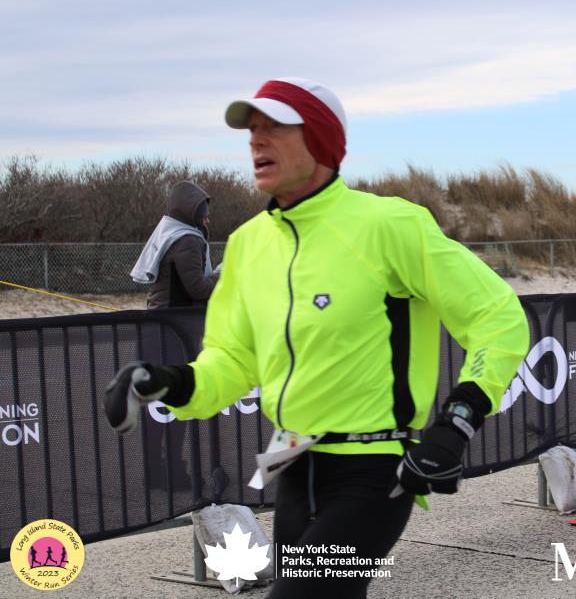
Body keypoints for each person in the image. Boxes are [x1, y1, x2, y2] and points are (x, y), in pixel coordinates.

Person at [104, 77, 529, 598]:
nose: (257, 139)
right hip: (293, 464)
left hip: (375, 472)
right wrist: (169, 381)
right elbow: (232, 360)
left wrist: (457, 421)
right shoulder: (248, 244)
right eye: (252, 129)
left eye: (274, 127)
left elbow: (496, 316)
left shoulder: (390, 225)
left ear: (321, 140)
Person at [130, 180, 219, 309]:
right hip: (176, 316)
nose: (207, 220)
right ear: (192, 213)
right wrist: (222, 274)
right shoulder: (187, 240)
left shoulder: (168, 232)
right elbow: (199, 290)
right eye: (203, 214)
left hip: (161, 311)